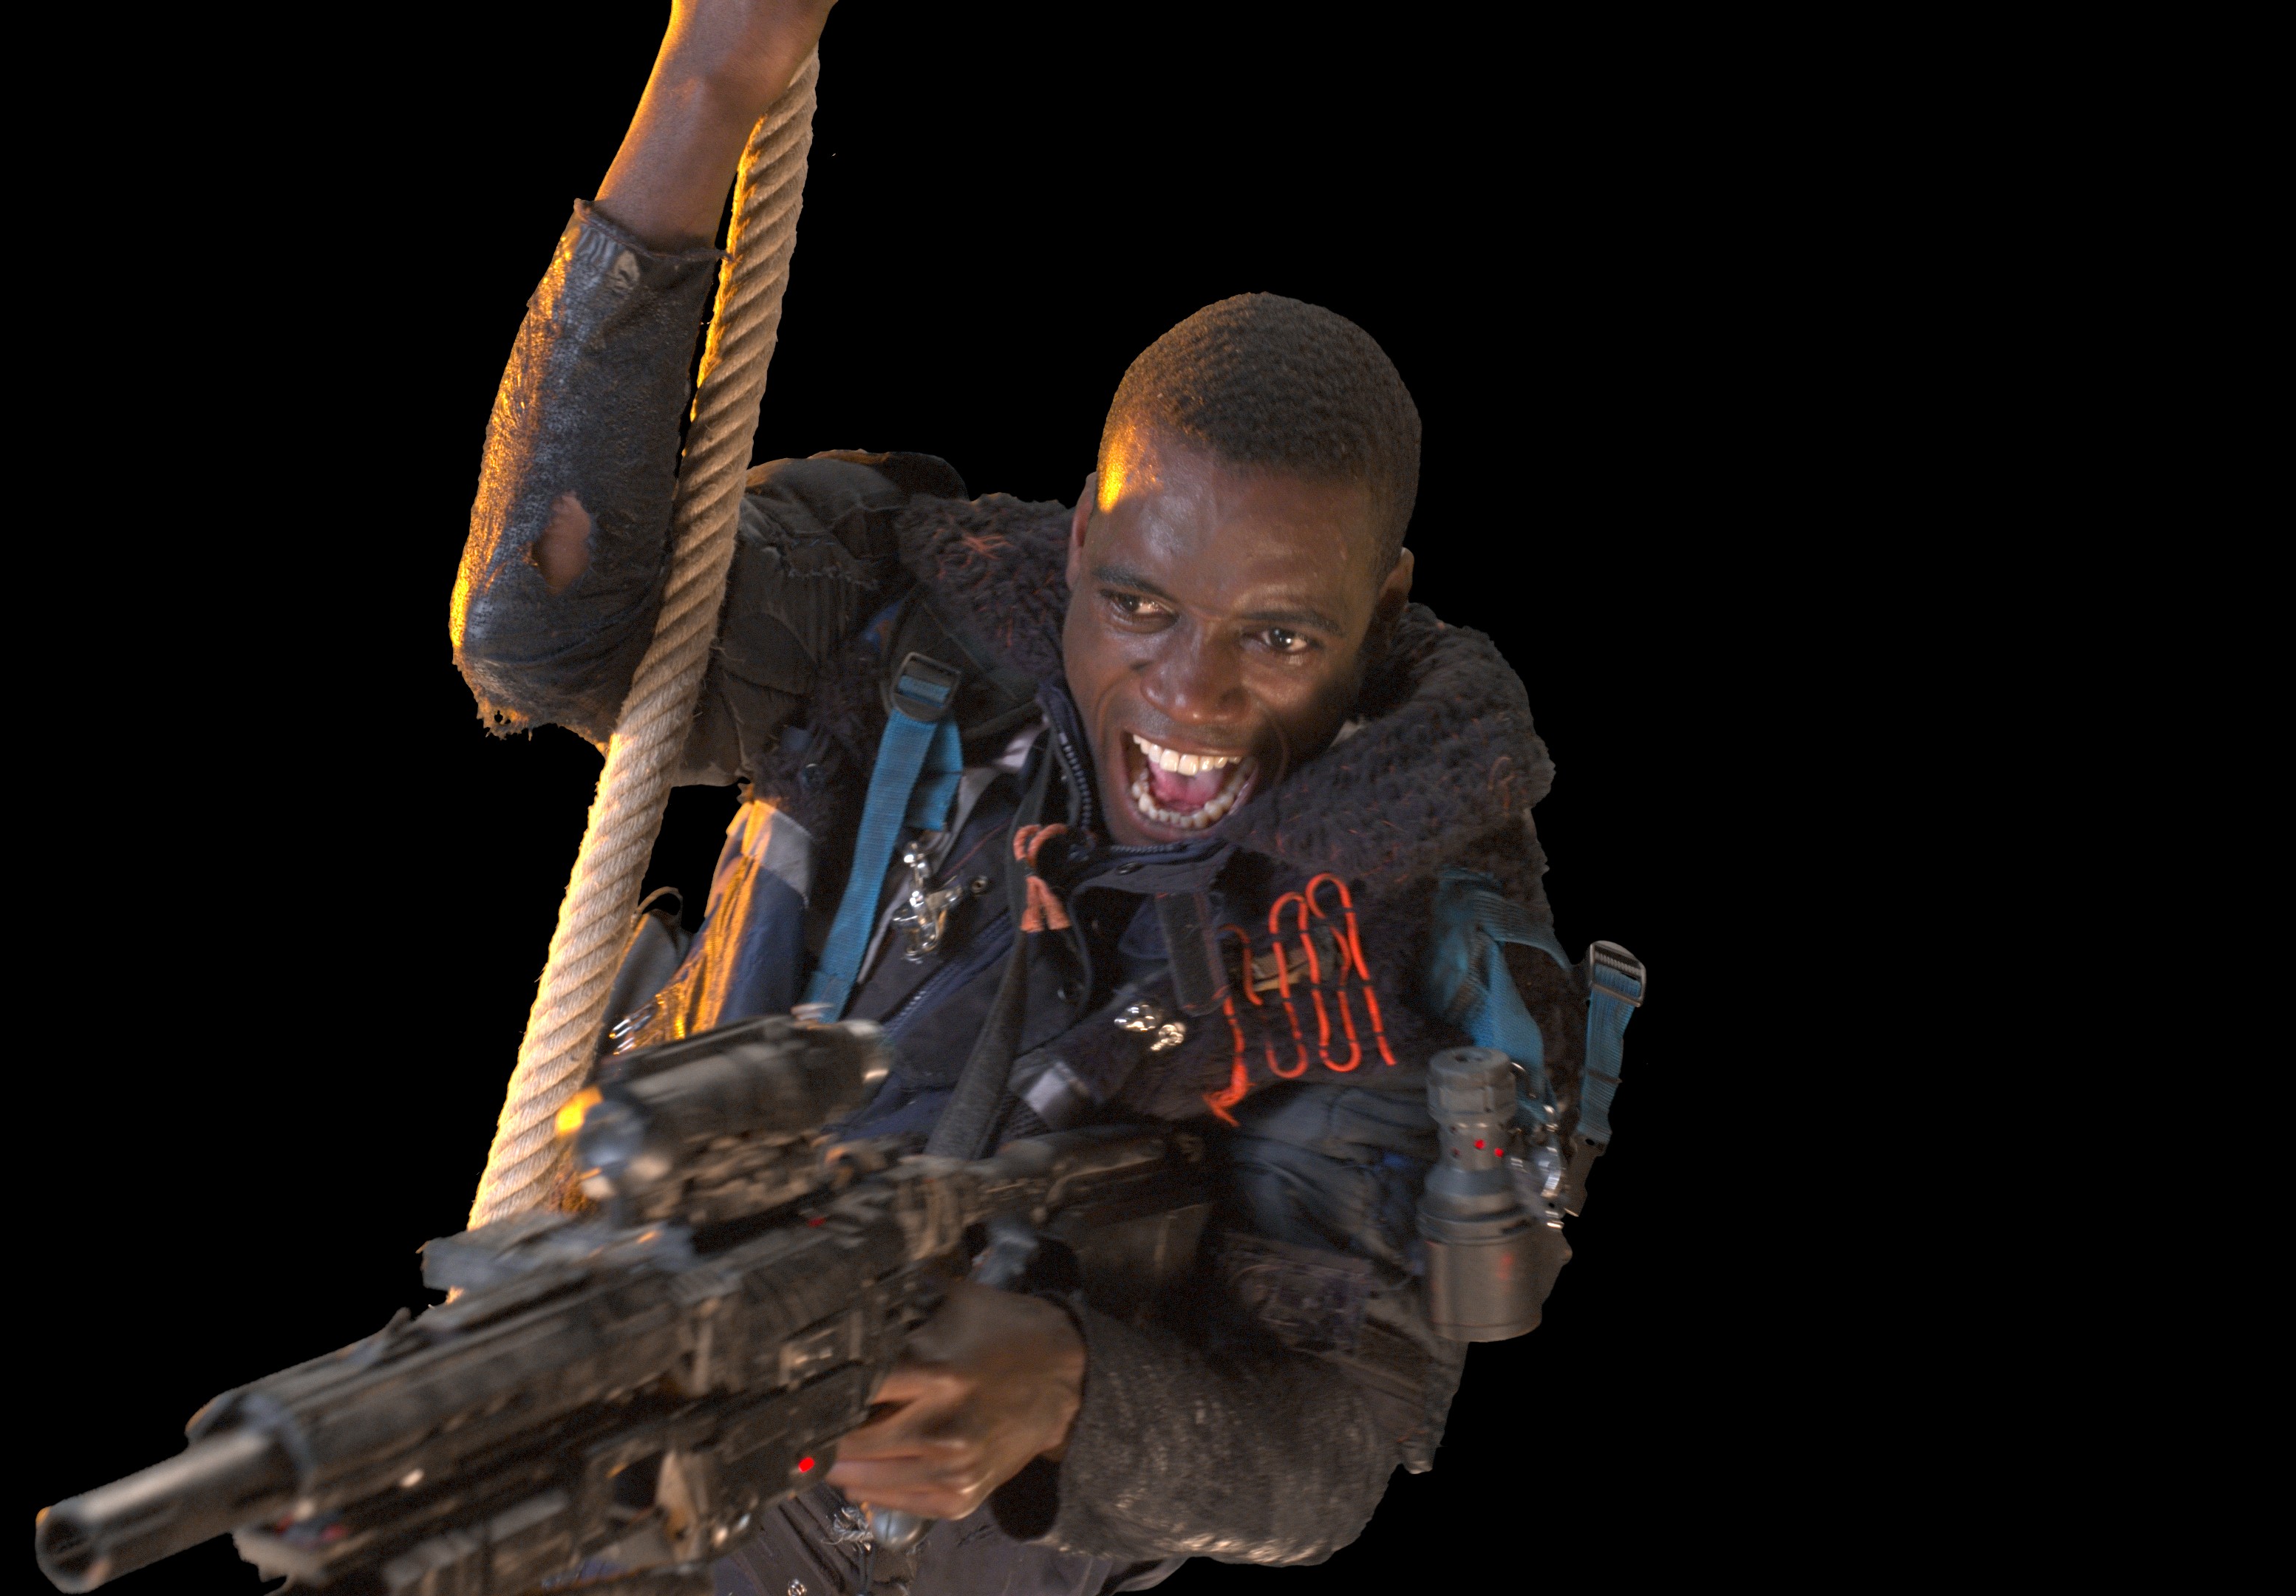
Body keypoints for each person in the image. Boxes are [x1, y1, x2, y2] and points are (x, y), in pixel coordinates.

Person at [450, 4, 1594, 1591]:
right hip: (607, 1400)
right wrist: (705, 90)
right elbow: (542, 633)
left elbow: (1335, 1436)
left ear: (1380, 612)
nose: (1189, 696)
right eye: (1138, 606)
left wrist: (1069, 1393)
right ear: (1077, 544)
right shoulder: (905, 625)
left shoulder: (1398, 911)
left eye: (1278, 639)